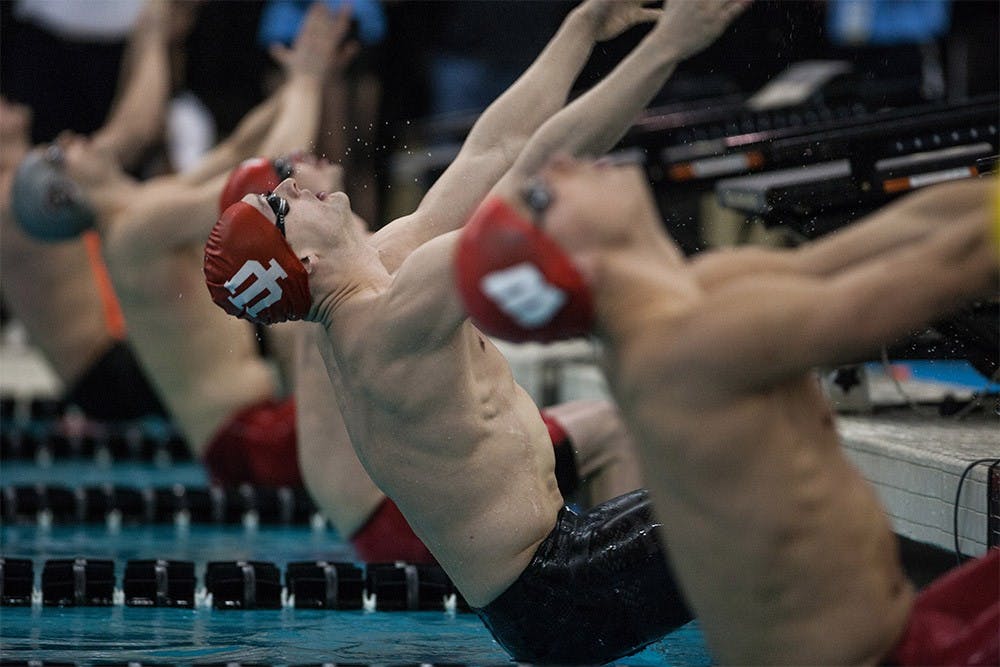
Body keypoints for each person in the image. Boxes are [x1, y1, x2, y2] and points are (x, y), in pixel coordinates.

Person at [204, 1, 749, 662]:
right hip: (556, 587)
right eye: (281, 204)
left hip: (557, 559)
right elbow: (542, 171)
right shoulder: (392, 317)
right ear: (305, 261)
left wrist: (580, 29)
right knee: (763, 508)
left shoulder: (386, 264)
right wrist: (668, 46)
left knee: (735, 487)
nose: (290, 182)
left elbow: (495, 149)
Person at [454, 156, 999, 665]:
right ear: (577, 262)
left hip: (904, 633)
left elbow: (910, 229)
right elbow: (961, 262)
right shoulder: (690, 348)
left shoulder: (705, 292)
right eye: (545, 195)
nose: (562, 164)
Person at [11, 3, 353, 485]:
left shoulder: (144, 207)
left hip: (257, 431)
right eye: (58, 153)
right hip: (252, 443)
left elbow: (237, 152)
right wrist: (308, 83)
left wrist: (299, 75)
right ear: (65, 193)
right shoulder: (136, 229)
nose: (70, 138)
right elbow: (265, 182)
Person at [0, 0, 173, 422]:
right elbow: (135, 131)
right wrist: (152, 35)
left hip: (107, 372)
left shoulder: (26, 183)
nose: (6, 99)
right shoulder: (15, 194)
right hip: (112, 376)